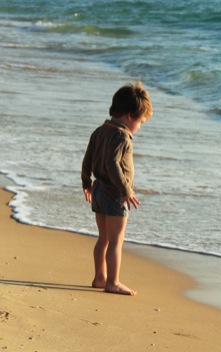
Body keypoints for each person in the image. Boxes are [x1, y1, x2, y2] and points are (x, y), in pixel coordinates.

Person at [81, 81, 153, 296]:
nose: (139, 127)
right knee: (116, 241)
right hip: (114, 194)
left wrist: (86, 182)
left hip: (99, 190)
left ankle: (99, 277)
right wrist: (126, 190)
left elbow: (88, 158)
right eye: (140, 121)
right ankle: (113, 281)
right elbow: (113, 163)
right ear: (130, 116)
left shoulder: (99, 131)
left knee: (103, 238)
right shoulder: (122, 137)